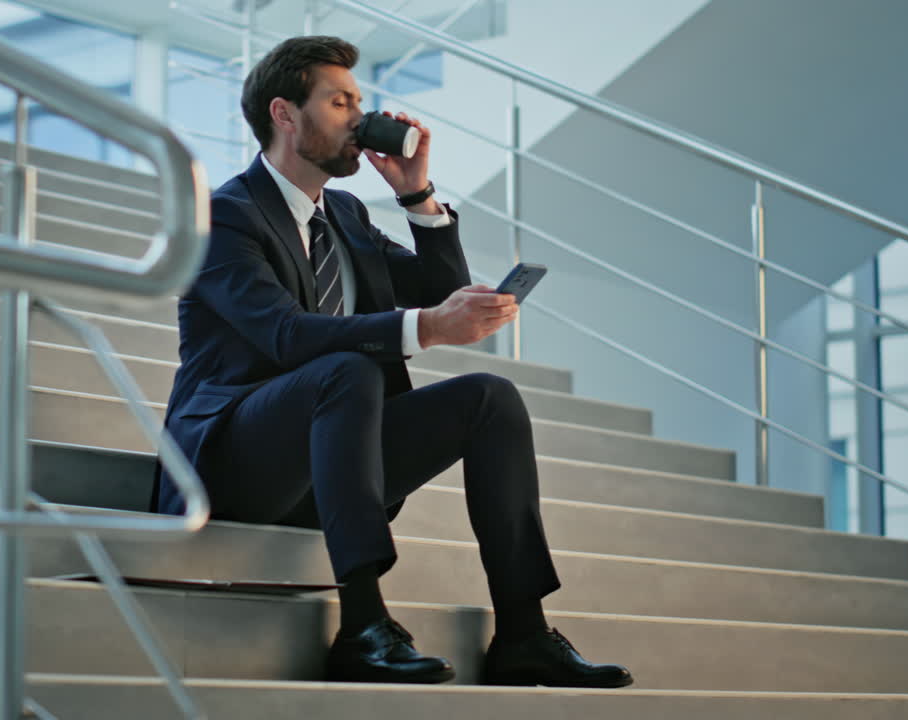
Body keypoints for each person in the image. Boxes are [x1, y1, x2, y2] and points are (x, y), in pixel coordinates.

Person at [154, 35, 632, 688]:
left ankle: (523, 632)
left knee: (490, 398)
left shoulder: (345, 214)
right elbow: (289, 337)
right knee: (346, 367)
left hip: (335, 460)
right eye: (339, 101)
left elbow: (437, 289)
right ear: (285, 115)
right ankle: (363, 626)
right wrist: (429, 329)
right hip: (231, 463)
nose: (357, 118)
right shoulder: (223, 217)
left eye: (360, 102)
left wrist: (417, 196)